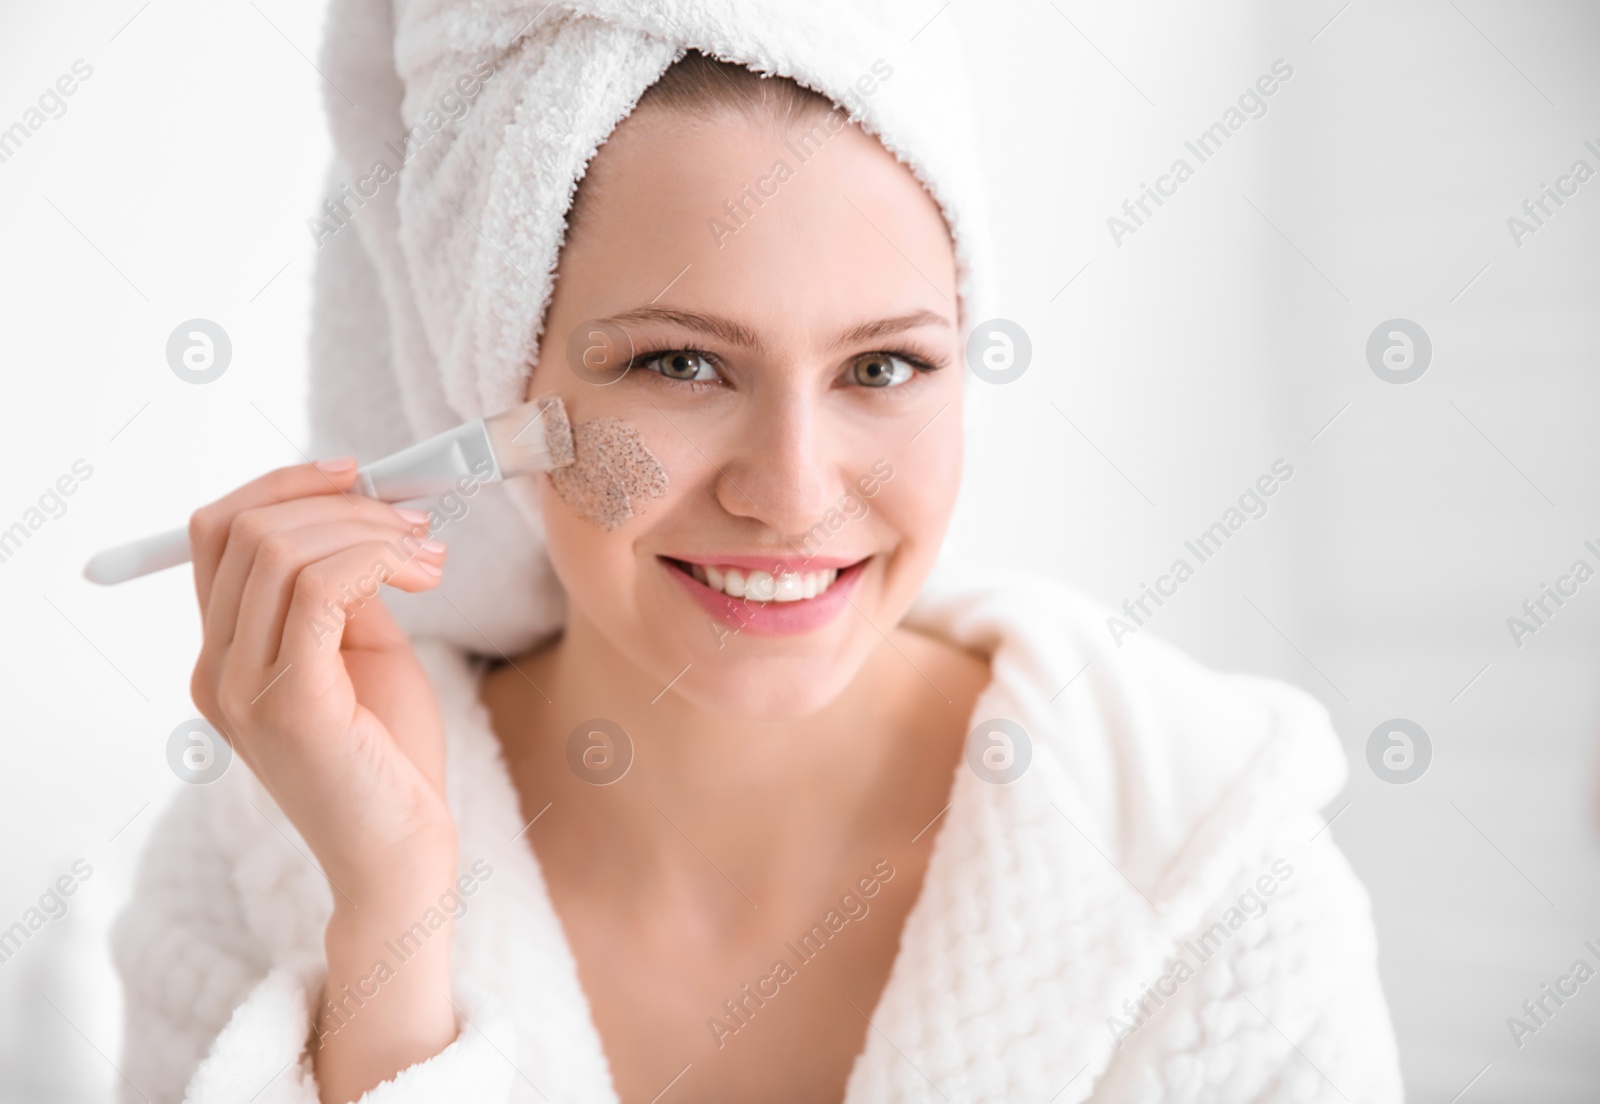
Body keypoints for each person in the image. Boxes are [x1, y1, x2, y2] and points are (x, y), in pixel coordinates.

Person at [109, 2, 1405, 1102]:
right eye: (681, 363)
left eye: (884, 366)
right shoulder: (255, 858)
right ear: (494, 393)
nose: (790, 492)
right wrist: (391, 925)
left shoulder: (1211, 886)